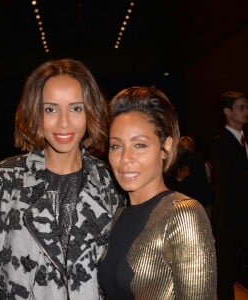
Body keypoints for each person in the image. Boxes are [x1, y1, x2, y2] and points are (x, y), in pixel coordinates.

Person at [0, 58, 124, 300]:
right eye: (50, 109)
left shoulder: (109, 179)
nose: (63, 122)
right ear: (35, 113)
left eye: (75, 108)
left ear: (90, 111)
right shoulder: (5, 177)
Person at [98, 86, 217, 299]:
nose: (125, 158)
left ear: (165, 147)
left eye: (140, 145)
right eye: (116, 146)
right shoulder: (118, 216)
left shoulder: (183, 214)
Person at [211, 90, 248, 300]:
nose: (246, 112)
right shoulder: (221, 142)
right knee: (226, 270)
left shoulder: (245, 140)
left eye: (246, 107)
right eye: (241, 108)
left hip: (245, 213)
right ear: (227, 112)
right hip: (230, 215)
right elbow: (228, 179)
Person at [165, 135, 214, 218]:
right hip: (202, 203)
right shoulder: (202, 160)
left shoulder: (176, 162)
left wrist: (179, 179)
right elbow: (209, 181)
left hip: (186, 204)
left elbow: (171, 185)